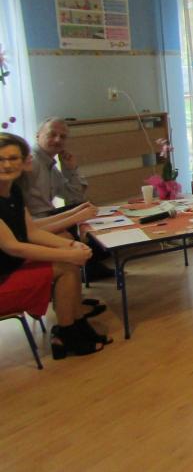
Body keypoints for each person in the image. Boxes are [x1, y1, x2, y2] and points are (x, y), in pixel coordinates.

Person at [0, 133, 111, 359]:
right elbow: (13, 246)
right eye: (0, 159)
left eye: (13, 158)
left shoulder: (13, 191)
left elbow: (30, 232)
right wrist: (68, 253)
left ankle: (73, 324)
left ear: (22, 161)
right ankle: (67, 332)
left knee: (69, 263)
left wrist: (70, 245)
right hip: (5, 274)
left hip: (11, 265)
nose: (7, 165)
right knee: (66, 265)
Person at [19, 117, 114, 281]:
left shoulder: (50, 165)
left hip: (46, 216)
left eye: (62, 137)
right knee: (80, 223)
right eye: (52, 134)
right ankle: (89, 266)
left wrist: (71, 169)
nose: (58, 140)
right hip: (32, 222)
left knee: (85, 208)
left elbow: (74, 196)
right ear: (37, 135)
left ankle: (93, 259)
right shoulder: (31, 162)